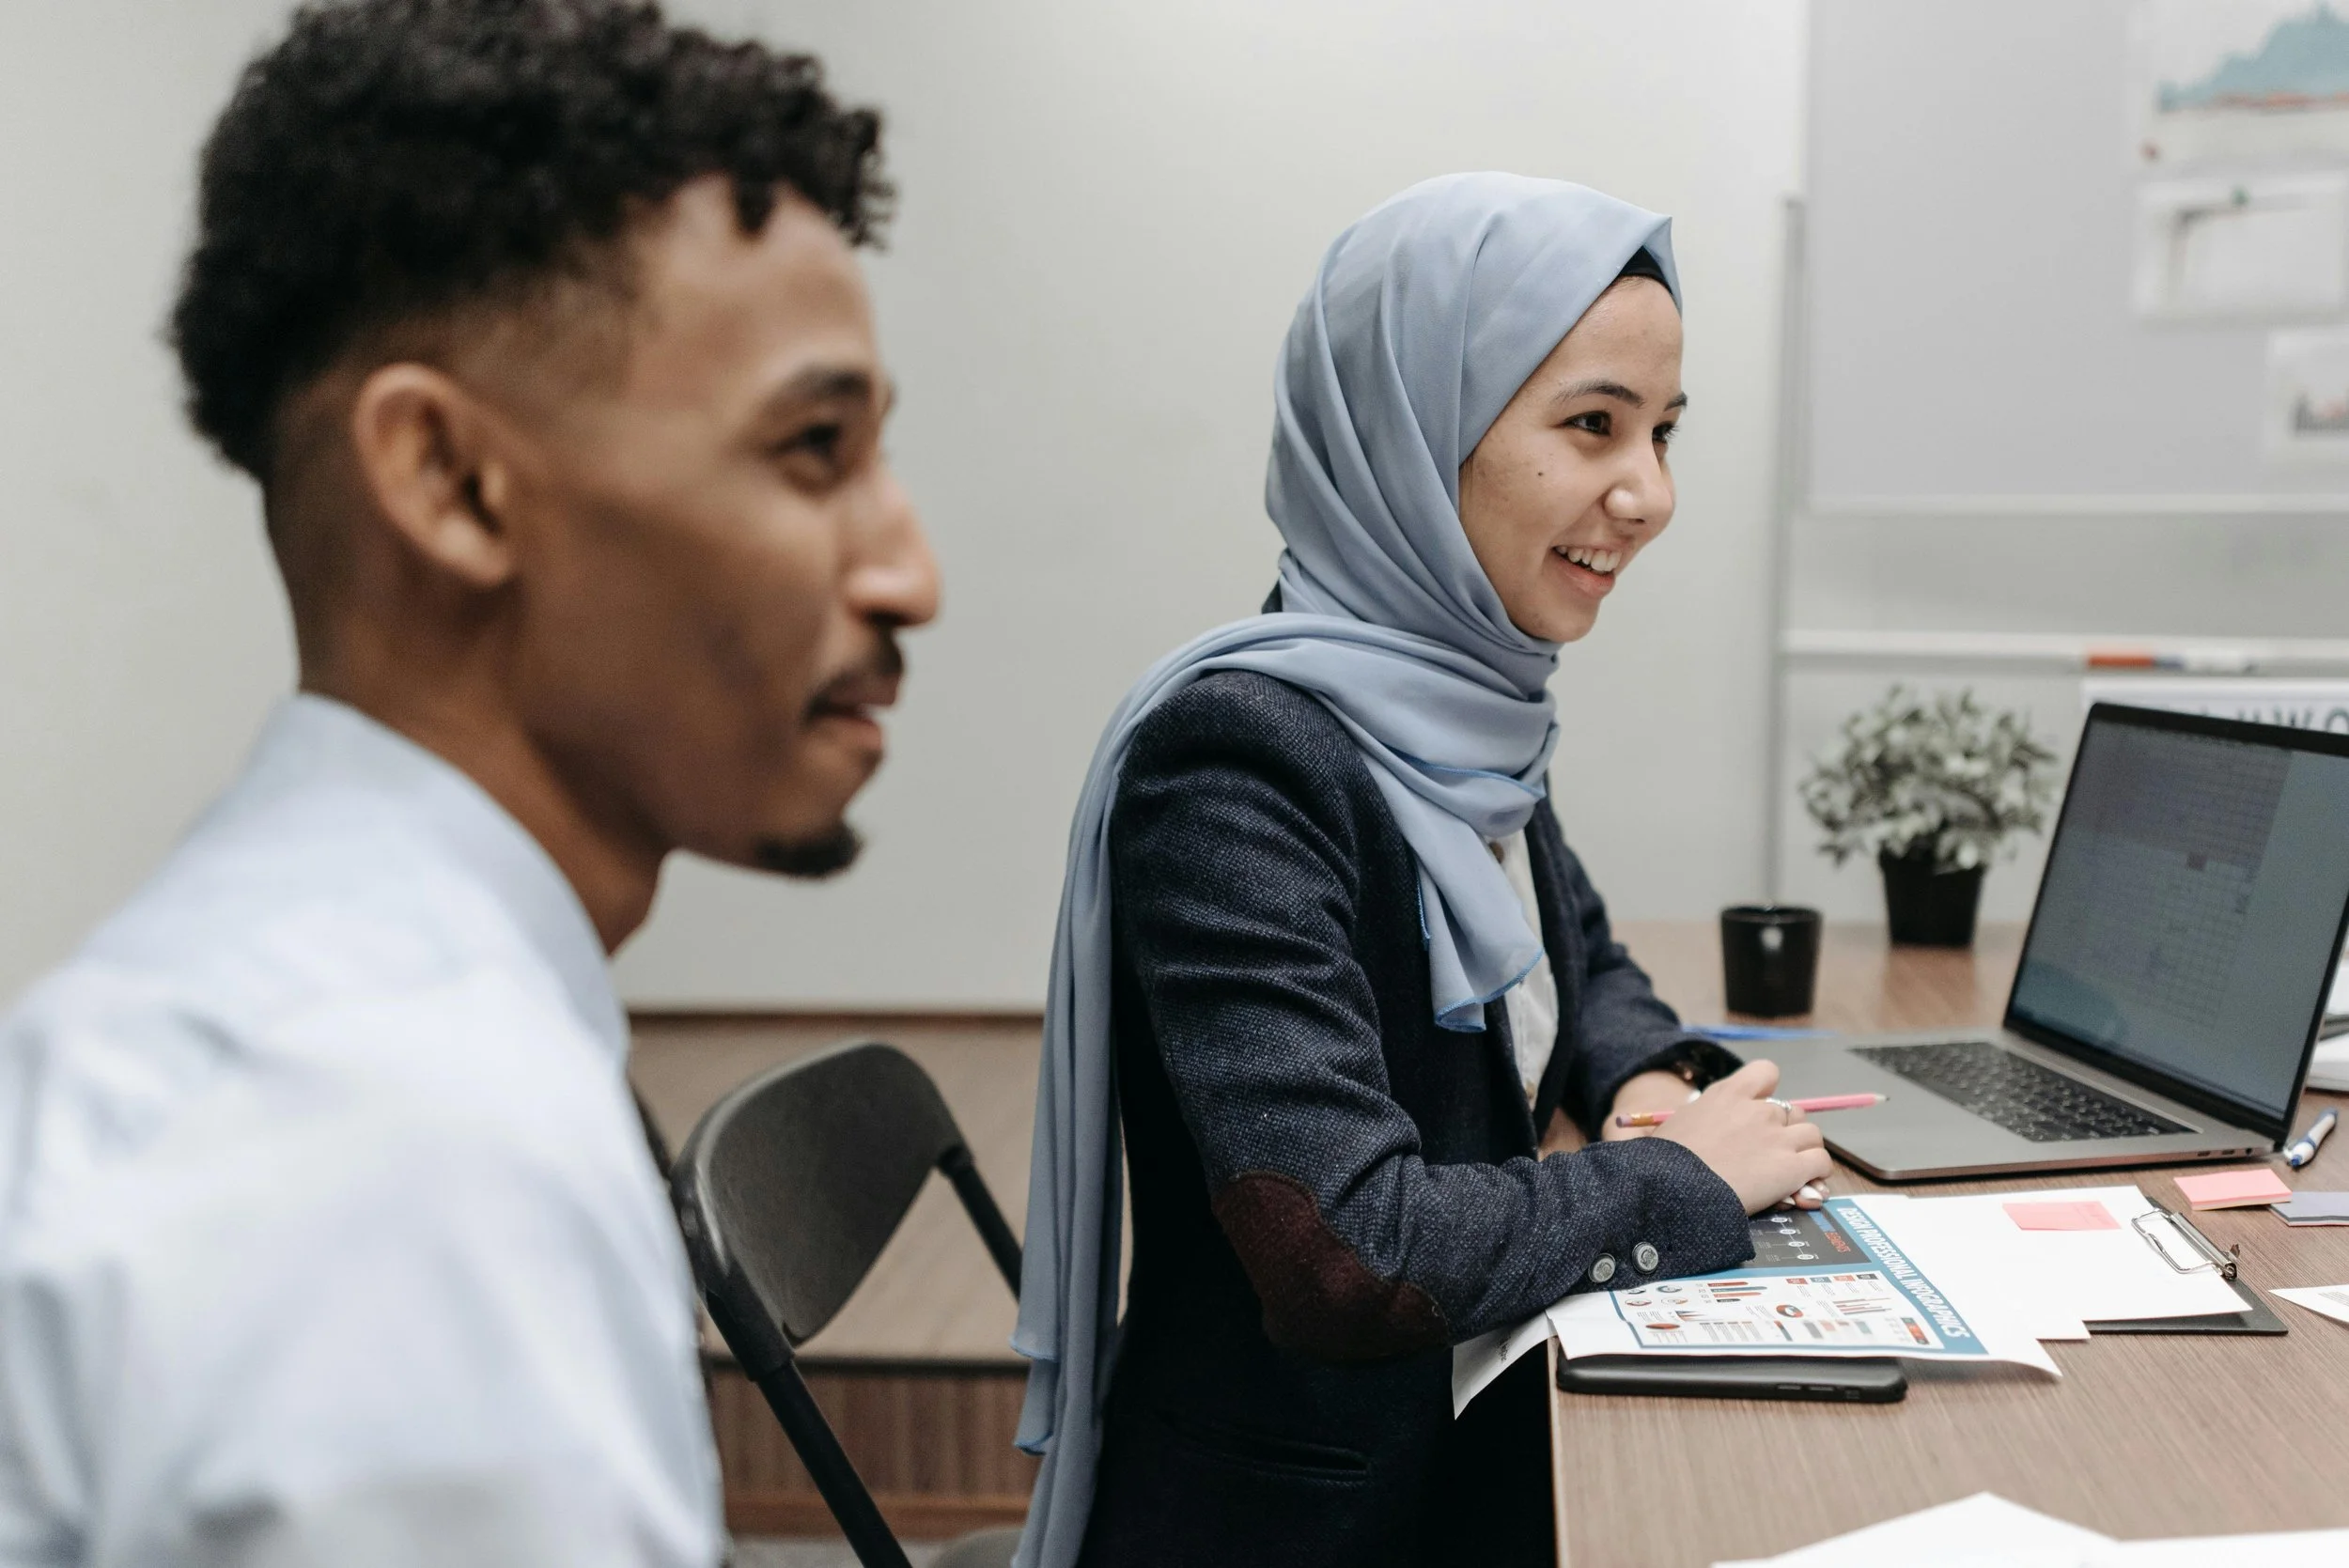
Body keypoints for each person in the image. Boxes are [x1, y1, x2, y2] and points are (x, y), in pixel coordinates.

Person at [0, 2, 936, 1563]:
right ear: (450, 483)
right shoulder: (405, 1147)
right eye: (812, 448)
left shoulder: (278, 1010)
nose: (910, 570)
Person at [1012, 174, 1834, 1568]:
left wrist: (1635, 1078)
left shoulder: (1461, 704)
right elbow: (1346, 1254)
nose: (1650, 495)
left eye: (1664, 434)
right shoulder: (1239, 761)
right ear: (1412, 431)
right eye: (1592, 425)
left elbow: (1582, 963)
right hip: (1317, 1524)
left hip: (1470, 1434)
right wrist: (1680, 1179)